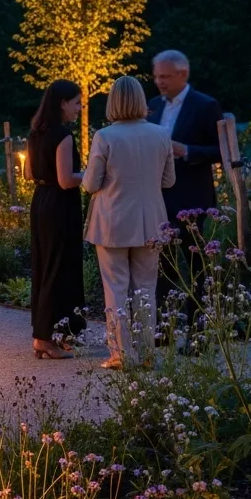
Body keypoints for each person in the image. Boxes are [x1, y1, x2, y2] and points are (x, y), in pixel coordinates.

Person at [83, 76, 175, 370]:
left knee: (116, 288)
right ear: (141, 100)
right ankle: (148, 354)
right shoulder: (161, 134)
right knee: (147, 288)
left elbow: (90, 184)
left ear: (113, 101)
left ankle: (121, 355)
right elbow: (169, 180)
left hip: (112, 222)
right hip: (151, 220)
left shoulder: (106, 136)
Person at [147, 50, 223, 321]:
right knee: (162, 266)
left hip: (192, 198)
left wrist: (188, 150)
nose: (159, 82)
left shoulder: (205, 105)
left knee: (197, 268)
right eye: (156, 76)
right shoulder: (153, 105)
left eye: (165, 76)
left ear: (183, 74)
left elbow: (221, 150)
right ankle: (164, 329)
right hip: (158, 197)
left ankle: (197, 331)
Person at [26, 80, 86, 360]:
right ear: (62, 103)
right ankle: (45, 339)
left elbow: (28, 173)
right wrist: (92, 175)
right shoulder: (63, 136)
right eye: (76, 103)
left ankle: (46, 333)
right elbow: (66, 180)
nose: (79, 108)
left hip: (40, 202)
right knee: (59, 267)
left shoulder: (36, 133)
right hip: (60, 207)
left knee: (44, 265)